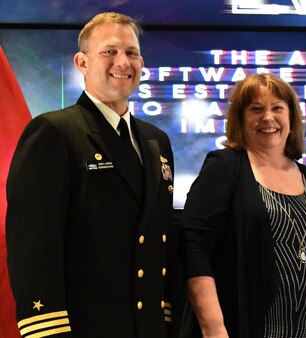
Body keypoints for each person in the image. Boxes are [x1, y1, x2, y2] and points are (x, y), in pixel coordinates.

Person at [5, 12, 176, 338]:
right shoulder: (54, 132)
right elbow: (34, 247)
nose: (123, 62)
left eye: (131, 52)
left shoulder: (158, 142)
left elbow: (158, 240)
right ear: (81, 63)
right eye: (109, 51)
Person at [178, 73, 306, 338]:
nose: (268, 118)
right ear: (241, 119)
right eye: (256, 109)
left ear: (291, 117)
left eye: (277, 108)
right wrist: (213, 329)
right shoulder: (224, 167)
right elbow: (194, 247)